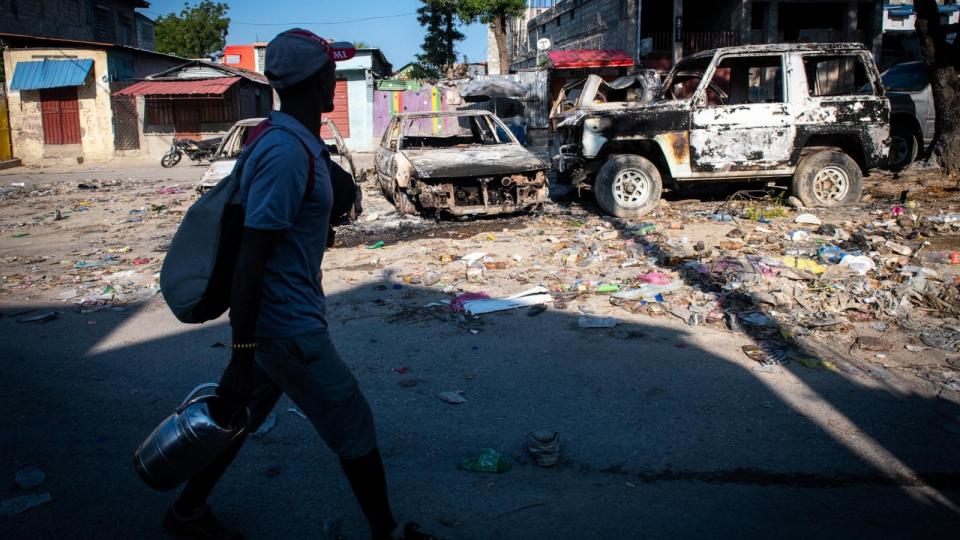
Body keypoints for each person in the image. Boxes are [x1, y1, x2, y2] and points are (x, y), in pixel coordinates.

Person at [160, 29, 435, 540]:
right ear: (322, 81)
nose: (335, 76)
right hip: (287, 326)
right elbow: (249, 260)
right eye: (331, 69)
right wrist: (241, 356)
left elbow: (307, 214)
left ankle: (187, 510)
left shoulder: (289, 139)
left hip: (277, 324)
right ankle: (388, 533)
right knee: (352, 422)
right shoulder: (285, 152)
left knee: (239, 416)